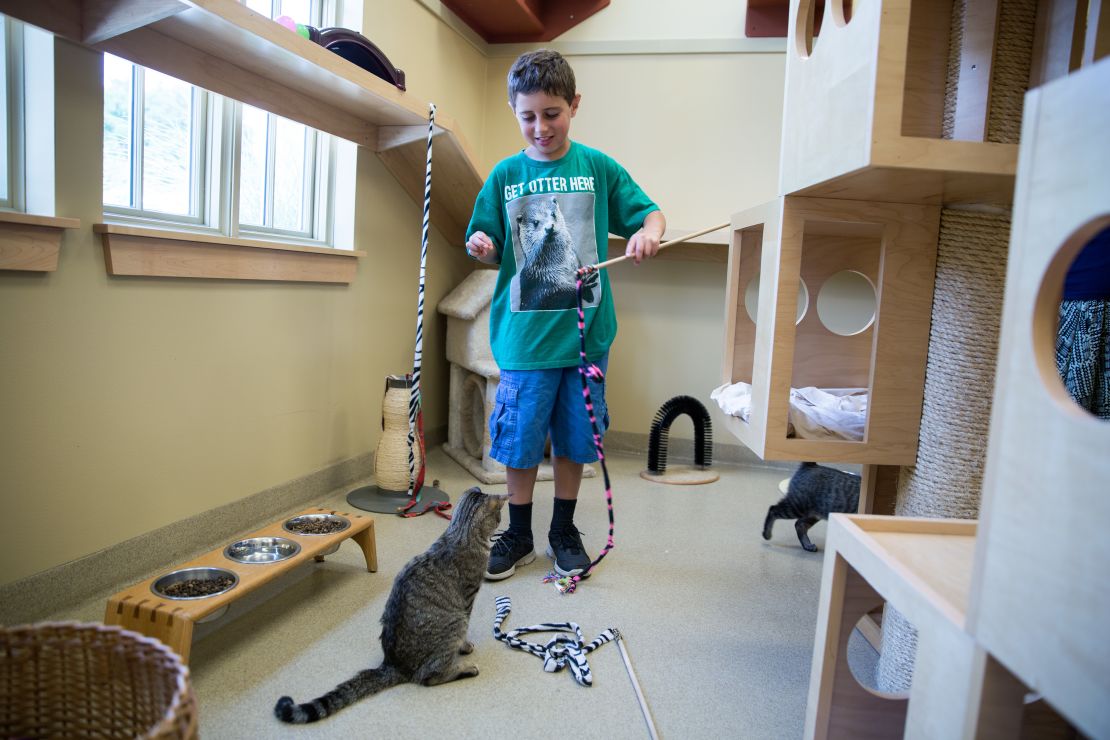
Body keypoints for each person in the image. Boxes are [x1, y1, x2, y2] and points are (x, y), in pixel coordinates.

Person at [465, 49, 666, 580]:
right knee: (520, 439)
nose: (540, 127)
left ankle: (563, 528)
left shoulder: (597, 167)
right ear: (514, 111)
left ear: (574, 105)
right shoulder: (506, 174)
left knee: (576, 438)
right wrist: (482, 246)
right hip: (525, 341)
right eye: (527, 116)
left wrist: (649, 232)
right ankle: (519, 531)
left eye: (551, 113)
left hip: (586, 339)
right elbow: (483, 239)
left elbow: (649, 212)